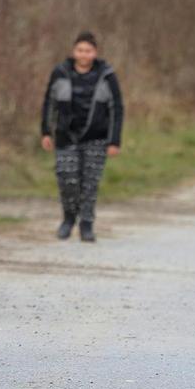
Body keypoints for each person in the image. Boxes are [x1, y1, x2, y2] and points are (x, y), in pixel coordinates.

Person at [40, 31, 124, 242]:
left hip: (97, 137)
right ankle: (68, 219)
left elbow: (117, 108)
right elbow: (49, 103)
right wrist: (45, 131)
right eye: (80, 50)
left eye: (88, 51)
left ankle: (86, 224)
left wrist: (114, 140)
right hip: (66, 136)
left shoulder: (106, 75)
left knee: (89, 183)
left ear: (95, 53)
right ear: (73, 51)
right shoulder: (60, 72)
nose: (84, 54)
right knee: (66, 179)